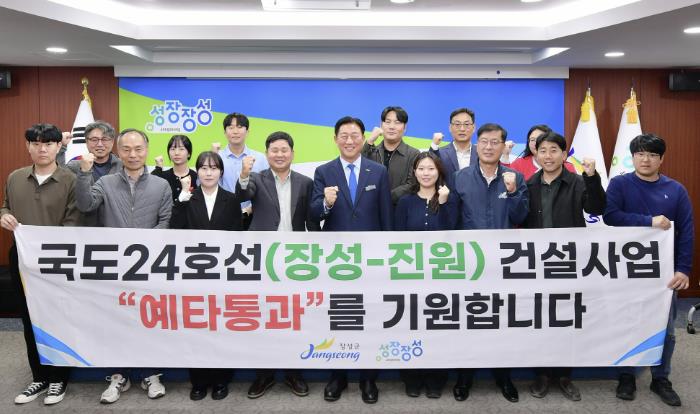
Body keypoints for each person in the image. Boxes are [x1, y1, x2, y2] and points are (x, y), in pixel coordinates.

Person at [75, 128, 172, 404]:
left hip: (148, 266)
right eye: (126, 149)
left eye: (138, 149)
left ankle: (151, 373)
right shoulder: (105, 182)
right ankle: (119, 375)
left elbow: (165, 221)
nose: (133, 154)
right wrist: (84, 174)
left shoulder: (161, 185)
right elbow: (85, 205)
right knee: (115, 321)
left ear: (146, 149)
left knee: (148, 320)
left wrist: (144, 248)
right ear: (119, 151)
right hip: (114, 267)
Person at [603, 133, 694, 407]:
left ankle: (661, 378)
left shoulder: (676, 190)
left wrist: (683, 269)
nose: (646, 159)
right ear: (632, 157)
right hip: (626, 271)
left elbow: (686, 231)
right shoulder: (619, 184)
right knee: (628, 322)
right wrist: (648, 221)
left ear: (661, 159)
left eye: (653, 155)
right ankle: (626, 376)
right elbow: (611, 216)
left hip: (664, 275)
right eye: (641, 154)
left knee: (666, 328)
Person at [311, 116, 392, 404]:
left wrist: (387, 255)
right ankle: (338, 376)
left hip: (371, 259)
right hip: (337, 261)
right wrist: (326, 203)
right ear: (335, 139)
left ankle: (368, 378)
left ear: (363, 138)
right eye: (343, 135)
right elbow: (313, 216)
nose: (349, 140)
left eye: (355, 135)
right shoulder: (323, 171)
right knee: (339, 317)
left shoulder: (378, 171)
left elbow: (386, 216)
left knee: (370, 317)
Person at [235, 131, 319, 399]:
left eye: (284, 150)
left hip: (295, 261)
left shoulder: (306, 183)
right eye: (274, 150)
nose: (280, 154)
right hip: (264, 259)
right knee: (264, 317)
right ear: (267, 154)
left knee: (294, 317)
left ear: (293, 153)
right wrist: (244, 174)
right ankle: (264, 374)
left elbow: (311, 220)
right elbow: (243, 194)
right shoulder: (256, 179)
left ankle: (294, 373)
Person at [523, 131, 606, 401]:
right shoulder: (529, 184)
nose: (548, 156)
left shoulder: (578, 182)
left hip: (568, 263)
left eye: (554, 150)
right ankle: (541, 374)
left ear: (563, 153)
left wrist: (592, 177)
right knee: (540, 320)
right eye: (543, 150)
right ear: (536, 153)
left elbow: (597, 208)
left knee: (566, 320)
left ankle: (564, 375)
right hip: (537, 264)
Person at [1, 123, 80, 406]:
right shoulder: (15, 177)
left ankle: (59, 378)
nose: (42, 149)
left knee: (57, 318)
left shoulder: (71, 179)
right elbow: (6, 206)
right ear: (28, 146)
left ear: (59, 146)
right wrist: (4, 215)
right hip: (22, 258)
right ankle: (39, 376)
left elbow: (74, 220)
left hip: (58, 260)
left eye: (48, 143)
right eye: (35, 143)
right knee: (29, 317)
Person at [452, 123, 528, 403]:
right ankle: (464, 376)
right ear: (477, 144)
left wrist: (512, 192)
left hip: (503, 264)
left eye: (495, 142)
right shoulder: (460, 177)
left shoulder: (515, 177)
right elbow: (453, 221)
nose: (488, 147)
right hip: (469, 264)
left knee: (501, 321)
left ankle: (503, 376)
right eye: (484, 141)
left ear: (503, 145)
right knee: (468, 320)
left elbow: (521, 216)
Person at [170, 151, 240, 401]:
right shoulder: (187, 198)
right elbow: (174, 230)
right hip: (193, 274)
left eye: (213, 168)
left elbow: (237, 236)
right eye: (203, 168)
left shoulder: (231, 199)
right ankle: (198, 381)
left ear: (221, 172)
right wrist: (182, 199)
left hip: (223, 274)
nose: (209, 173)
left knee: (222, 327)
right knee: (196, 327)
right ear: (196, 172)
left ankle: (221, 380)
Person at [394, 152, 457, 399]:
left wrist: (444, 203)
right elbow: (397, 241)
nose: (426, 173)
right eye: (421, 168)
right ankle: (411, 378)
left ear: (439, 171)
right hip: (410, 277)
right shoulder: (405, 202)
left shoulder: (449, 198)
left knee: (437, 328)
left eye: (431, 168)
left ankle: (435, 378)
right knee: (410, 327)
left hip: (442, 277)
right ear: (414, 172)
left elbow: (454, 234)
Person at [59, 121, 123, 226]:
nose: (100, 144)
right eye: (94, 140)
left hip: (115, 228)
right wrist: (62, 146)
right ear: (86, 141)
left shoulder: (122, 167)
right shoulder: (75, 166)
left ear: (112, 142)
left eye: (105, 139)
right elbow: (59, 178)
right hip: (82, 228)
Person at [215, 112, 269, 229]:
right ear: (225, 132)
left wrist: (250, 209)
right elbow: (206, 186)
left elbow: (267, 190)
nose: (235, 131)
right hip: (222, 216)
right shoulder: (217, 157)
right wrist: (212, 159)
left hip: (254, 217)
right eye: (231, 127)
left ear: (247, 131)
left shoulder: (260, 158)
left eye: (239, 127)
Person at [362, 106, 420, 203]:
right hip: (371, 208)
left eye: (397, 122)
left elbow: (412, 184)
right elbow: (357, 169)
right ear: (381, 125)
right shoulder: (371, 151)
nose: (391, 127)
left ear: (405, 128)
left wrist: (385, 197)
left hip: (399, 209)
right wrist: (370, 141)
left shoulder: (413, 154)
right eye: (387, 122)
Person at [429, 108, 479, 188]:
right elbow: (429, 167)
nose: (462, 129)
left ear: (474, 128)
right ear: (450, 128)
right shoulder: (440, 153)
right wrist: (434, 145)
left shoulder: (481, 154)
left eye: (466, 124)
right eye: (457, 124)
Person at [506, 124, 575, 180]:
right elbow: (504, 183)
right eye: (532, 140)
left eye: (540, 139)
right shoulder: (518, 164)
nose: (535, 143)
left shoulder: (567, 167)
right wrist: (504, 156)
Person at [152, 134, 197, 202]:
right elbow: (150, 189)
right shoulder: (163, 176)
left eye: (181, 149)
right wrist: (158, 168)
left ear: (189, 154)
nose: (176, 153)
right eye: (173, 149)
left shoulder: (196, 177)